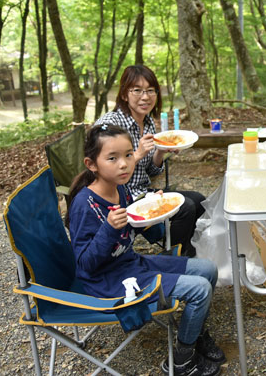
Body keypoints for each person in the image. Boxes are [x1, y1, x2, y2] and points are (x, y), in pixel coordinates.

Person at [66, 124, 224, 376]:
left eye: (129, 155)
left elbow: (142, 229)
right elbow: (85, 265)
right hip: (109, 281)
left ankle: (195, 334)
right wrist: (108, 229)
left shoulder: (121, 189)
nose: (124, 164)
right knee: (200, 289)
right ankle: (182, 360)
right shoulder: (85, 205)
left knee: (208, 268)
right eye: (112, 158)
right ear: (91, 164)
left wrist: (156, 211)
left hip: (131, 264)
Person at [96, 65, 205, 256]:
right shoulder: (110, 124)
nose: (145, 97)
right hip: (120, 197)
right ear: (124, 94)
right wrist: (135, 155)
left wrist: (160, 152)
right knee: (185, 207)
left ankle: (184, 247)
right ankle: (176, 259)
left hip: (143, 192)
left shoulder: (147, 123)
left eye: (150, 90)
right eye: (137, 90)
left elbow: (152, 171)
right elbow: (99, 169)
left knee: (199, 201)